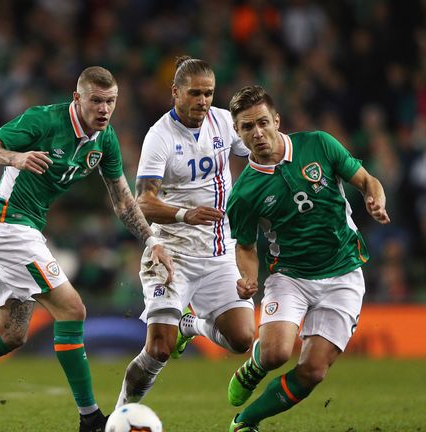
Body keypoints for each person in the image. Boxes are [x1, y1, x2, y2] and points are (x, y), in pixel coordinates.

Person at [0, 66, 175, 432]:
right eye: (96, 100)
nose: (104, 109)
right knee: (73, 310)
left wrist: (152, 240)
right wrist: (16, 157)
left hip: (19, 229)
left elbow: (122, 201)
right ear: (78, 99)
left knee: (11, 333)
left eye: (111, 101)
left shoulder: (104, 140)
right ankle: (90, 418)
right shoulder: (43, 121)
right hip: (7, 225)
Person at [225, 85, 390, 431]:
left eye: (262, 122)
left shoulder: (319, 144)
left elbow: (367, 180)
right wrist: (249, 277)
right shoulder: (243, 193)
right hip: (291, 276)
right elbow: (244, 246)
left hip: (343, 272)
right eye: (246, 127)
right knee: (275, 354)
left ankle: (245, 422)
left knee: (313, 370)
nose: (257, 133)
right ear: (238, 134)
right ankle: (254, 367)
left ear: (277, 120)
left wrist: (375, 199)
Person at [114, 56, 255, 408]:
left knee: (242, 339)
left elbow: (260, 149)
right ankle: (120, 415)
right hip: (172, 251)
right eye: (195, 93)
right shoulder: (159, 137)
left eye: (209, 93)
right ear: (175, 92)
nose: (203, 101)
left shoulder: (223, 122)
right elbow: (142, 202)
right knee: (159, 347)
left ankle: (190, 325)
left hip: (220, 252)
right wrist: (184, 213)